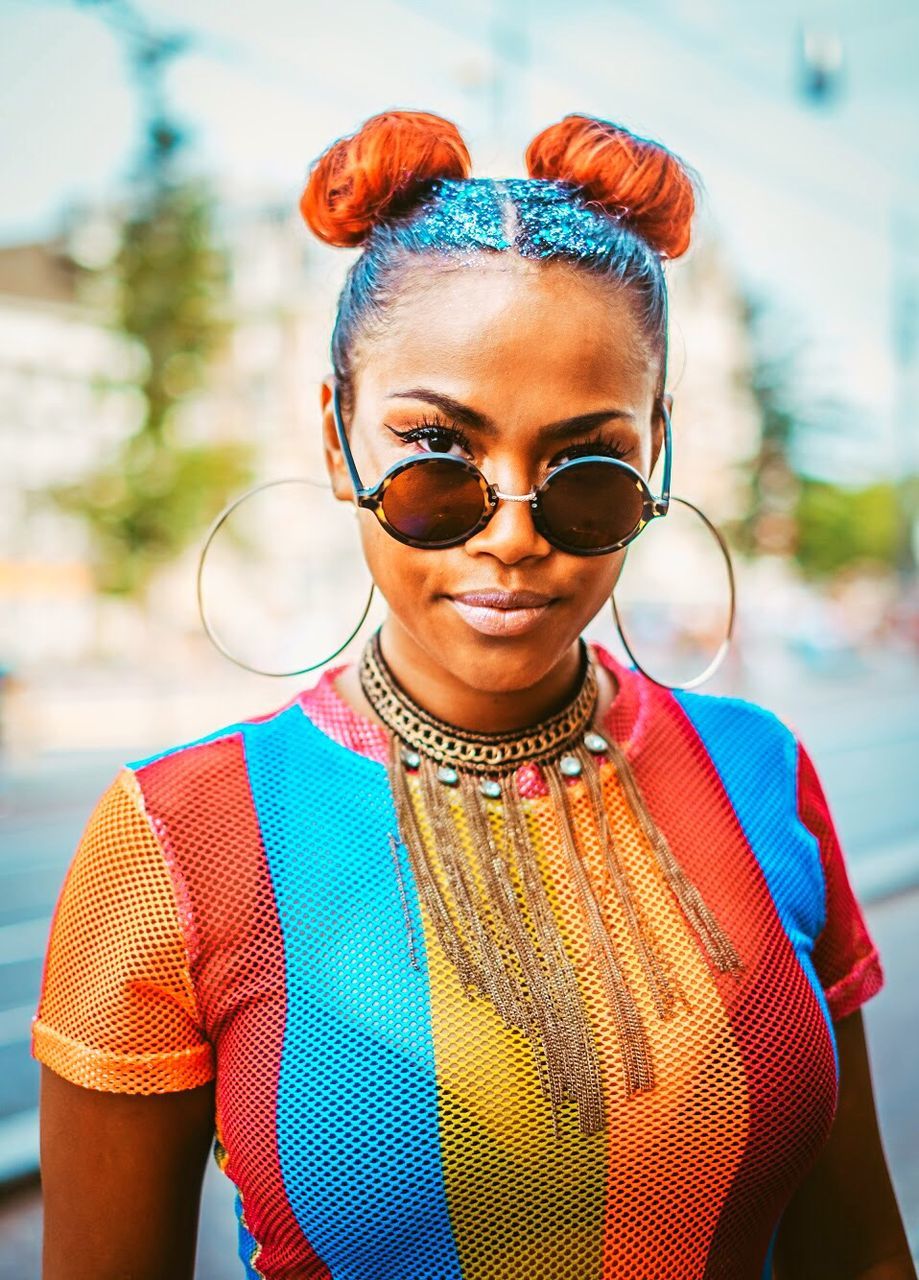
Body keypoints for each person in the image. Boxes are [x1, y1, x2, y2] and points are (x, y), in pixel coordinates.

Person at [31, 109, 915, 1280]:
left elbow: (857, 1254)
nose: (510, 534)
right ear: (339, 435)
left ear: (657, 448)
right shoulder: (174, 837)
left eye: (586, 468)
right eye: (437, 455)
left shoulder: (763, 773)